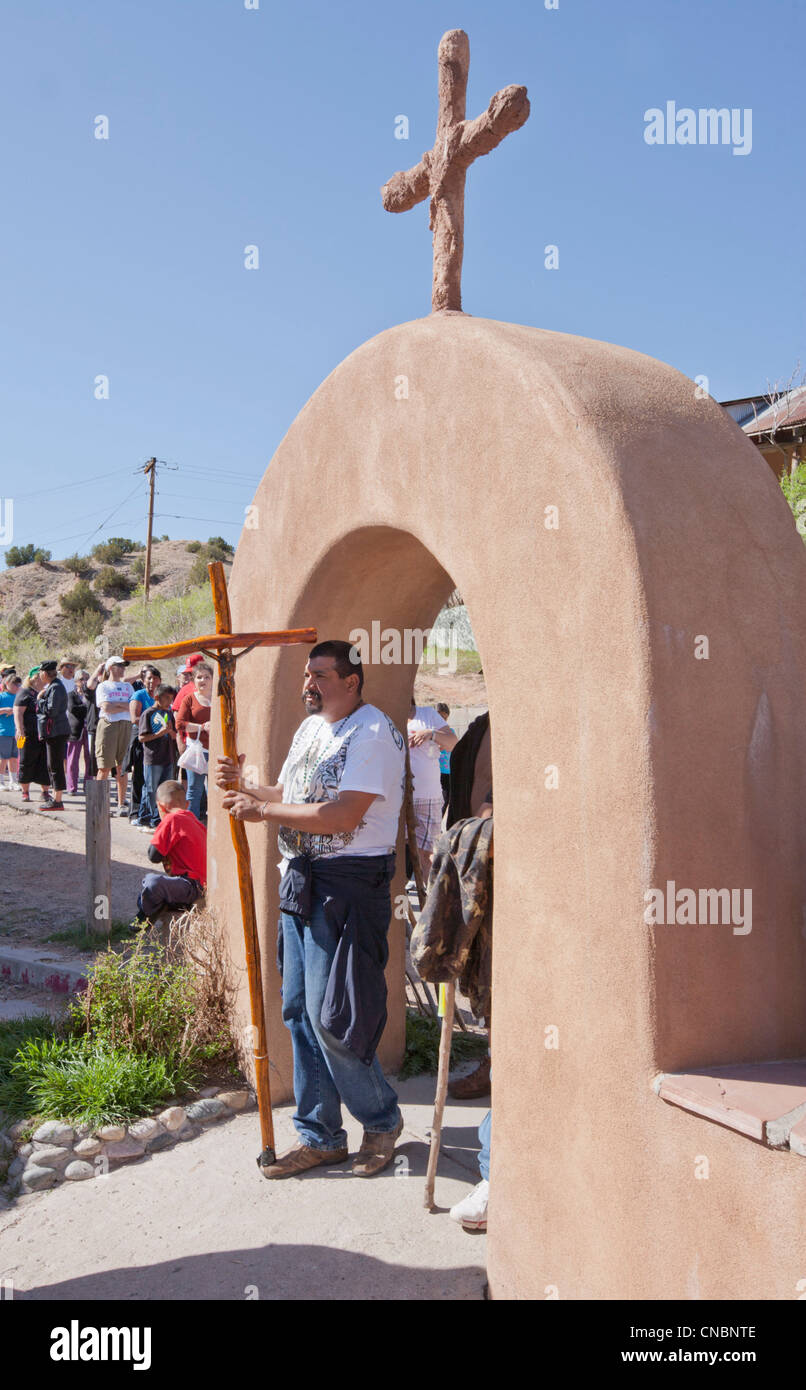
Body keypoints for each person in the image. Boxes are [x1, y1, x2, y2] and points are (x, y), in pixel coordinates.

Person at [217, 639, 406, 1179]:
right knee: (299, 1010)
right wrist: (249, 787)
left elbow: (342, 815)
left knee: (332, 1016)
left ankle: (381, 1118)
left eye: (322, 674)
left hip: (347, 886)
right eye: (307, 674)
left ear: (352, 680)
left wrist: (263, 809)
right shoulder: (310, 729)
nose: (310, 683)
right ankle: (320, 1135)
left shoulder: (371, 732)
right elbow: (293, 793)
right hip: (302, 881)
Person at [136, 780, 206, 921]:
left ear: (161, 806)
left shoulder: (172, 818)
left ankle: (143, 918)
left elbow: (153, 855)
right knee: (157, 885)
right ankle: (161, 907)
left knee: (151, 882)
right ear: (187, 804)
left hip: (189, 887)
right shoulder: (196, 821)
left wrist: (161, 829)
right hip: (199, 887)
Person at [407, 698, 458, 885]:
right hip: (394, 797)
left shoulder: (427, 715)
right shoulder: (384, 713)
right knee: (392, 852)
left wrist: (431, 734)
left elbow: (453, 743)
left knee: (428, 854)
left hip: (427, 796)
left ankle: (431, 903)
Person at [93, 656, 135, 815]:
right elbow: (106, 708)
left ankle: (121, 803)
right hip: (108, 725)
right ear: (111, 667)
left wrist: (116, 704)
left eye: (124, 665)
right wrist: (122, 706)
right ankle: (99, 804)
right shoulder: (103, 686)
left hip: (126, 725)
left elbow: (131, 707)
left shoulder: (128, 687)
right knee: (104, 766)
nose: (123, 668)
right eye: (119, 665)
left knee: (122, 767)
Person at [176, 661, 213, 823]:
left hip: (218, 751)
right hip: (198, 751)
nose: (203, 680)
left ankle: (214, 827)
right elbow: (180, 724)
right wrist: (202, 727)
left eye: (206, 677)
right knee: (194, 790)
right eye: (199, 677)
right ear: (194, 680)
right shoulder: (189, 699)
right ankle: (192, 825)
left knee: (216, 790)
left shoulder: (220, 698)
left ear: (213, 679)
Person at [137, 684, 177, 831]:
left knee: (164, 790)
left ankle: (158, 818)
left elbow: (173, 735)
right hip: (153, 758)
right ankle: (146, 818)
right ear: (157, 697)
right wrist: (160, 733)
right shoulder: (148, 713)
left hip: (168, 756)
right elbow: (141, 738)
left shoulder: (169, 713)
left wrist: (171, 731)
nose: (169, 701)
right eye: (166, 698)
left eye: (171, 698)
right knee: (150, 789)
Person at [36, 660, 70, 810]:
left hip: (56, 731)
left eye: (40, 673)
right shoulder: (53, 686)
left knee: (55, 765)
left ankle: (58, 800)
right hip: (53, 732)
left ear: (45, 673)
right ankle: (56, 798)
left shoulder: (56, 687)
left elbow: (52, 710)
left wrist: (39, 700)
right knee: (52, 765)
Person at [128, 666, 161, 823]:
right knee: (140, 775)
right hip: (140, 737)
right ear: (142, 680)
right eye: (148, 678)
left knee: (154, 777)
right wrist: (155, 725)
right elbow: (134, 718)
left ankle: (154, 812)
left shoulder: (162, 695)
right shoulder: (138, 695)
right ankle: (135, 812)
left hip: (158, 738)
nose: (151, 681)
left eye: (155, 678)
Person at [14, 668, 50, 803]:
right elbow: (17, 712)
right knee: (25, 761)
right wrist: (19, 729)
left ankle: (45, 792)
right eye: (41, 676)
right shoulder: (24, 692)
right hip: (26, 734)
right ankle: (25, 792)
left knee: (44, 763)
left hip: (43, 734)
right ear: (35, 678)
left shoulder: (45, 692)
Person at [65, 669, 92, 795]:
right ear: (76, 681)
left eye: (87, 678)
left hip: (90, 730)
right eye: (82, 679)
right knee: (72, 761)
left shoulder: (92, 694)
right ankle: (72, 787)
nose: (84, 681)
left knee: (90, 759)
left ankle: (88, 786)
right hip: (75, 731)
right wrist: (86, 707)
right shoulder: (71, 695)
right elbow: (73, 709)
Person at [0, 670, 19, 789]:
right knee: (3, 758)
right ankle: (1, 781)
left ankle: (13, 781)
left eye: (17, 684)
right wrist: (4, 710)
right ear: (6, 683)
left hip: (17, 732)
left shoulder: (19, 696)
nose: (16, 686)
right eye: (13, 683)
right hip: (3, 732)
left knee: (14, 758)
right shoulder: (1, 696)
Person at [436, 702, 455, 810]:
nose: (442, 720)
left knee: (446, 799)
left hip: (448, 772)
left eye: (445, 718)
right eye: (440, 716)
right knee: (440, 799)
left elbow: (453, 746)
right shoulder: (431, 731)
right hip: (437, 771)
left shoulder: (450, 732)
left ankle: (439, 824)